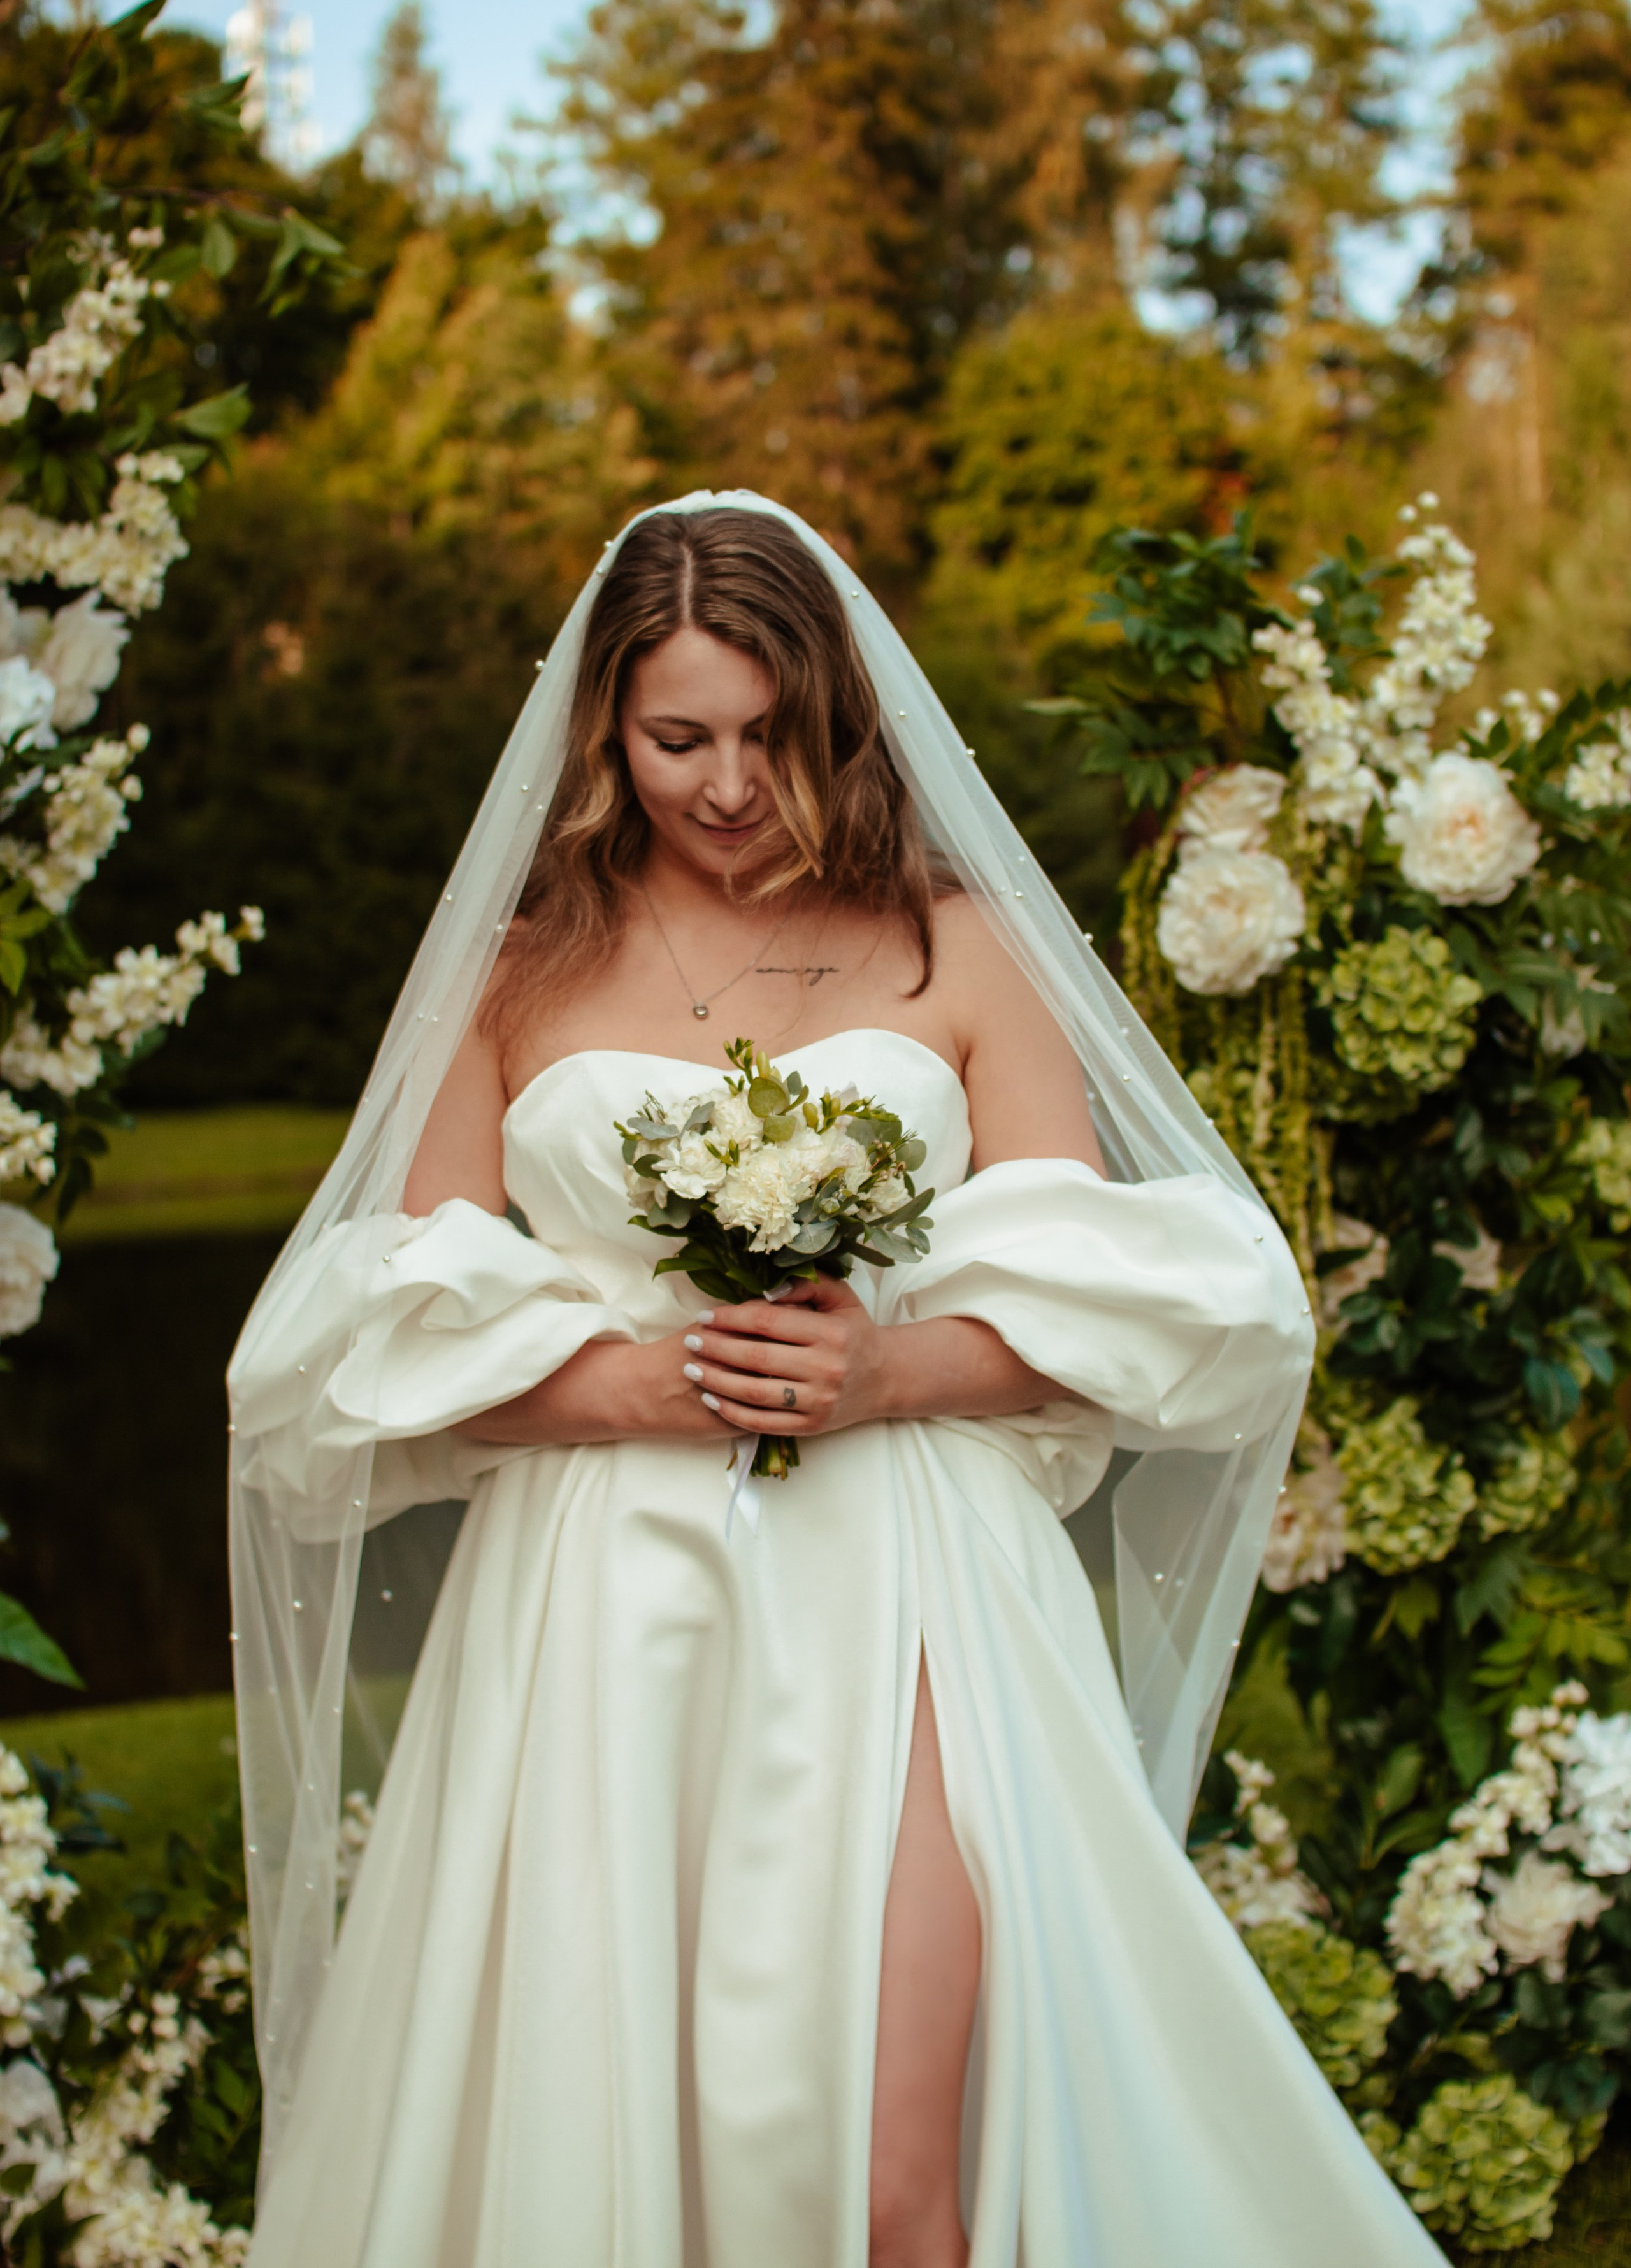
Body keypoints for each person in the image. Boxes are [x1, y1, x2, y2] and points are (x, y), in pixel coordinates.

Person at [230, 495, 1445, 2266]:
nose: (728, 785)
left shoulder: (958, 944)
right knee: (606, 2134)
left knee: (904, 2166)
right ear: (602, 733)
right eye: (677, 740)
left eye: (772, 736)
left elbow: (1126, 1301)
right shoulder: (514, 971)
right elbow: (391, 1348)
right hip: (599, 1597)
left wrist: (884, 1370)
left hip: (916, 1573)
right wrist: (636, 1389)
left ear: (841, 717)